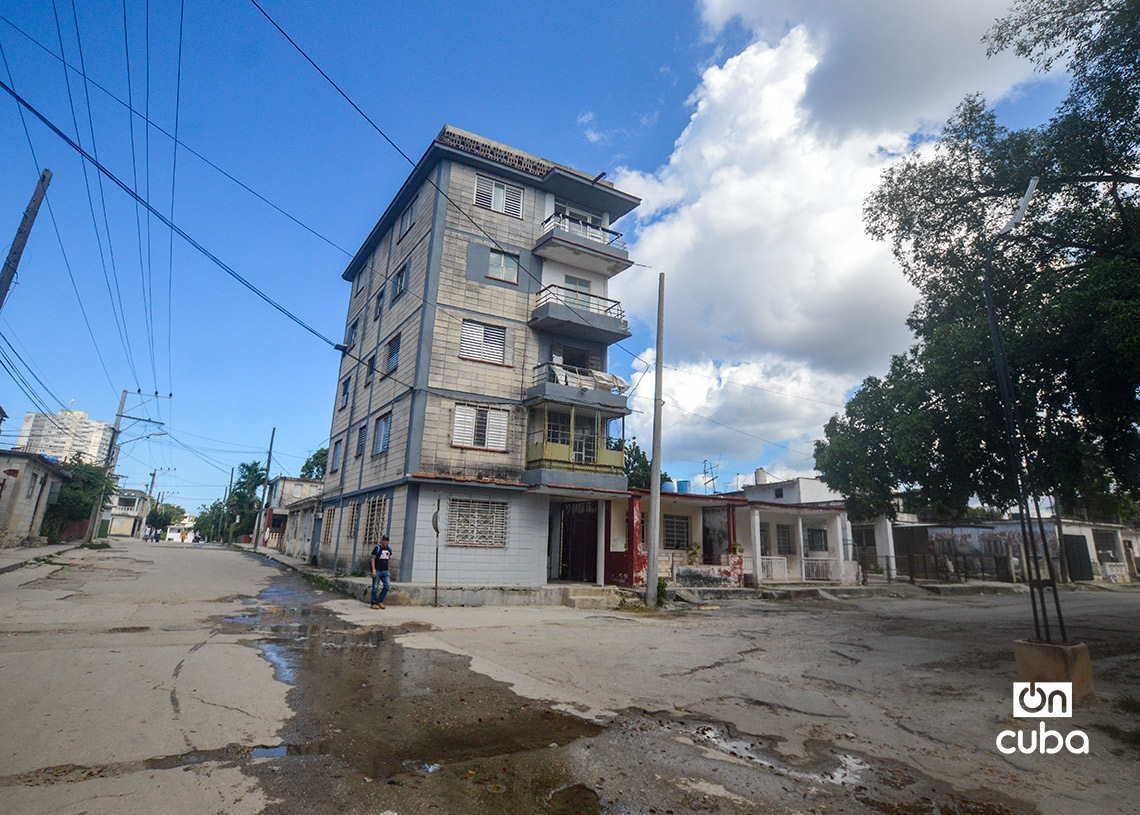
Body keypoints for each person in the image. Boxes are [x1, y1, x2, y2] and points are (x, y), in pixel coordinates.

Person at [370, 535, 392, 609]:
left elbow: (389, 559)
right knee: (375, 587)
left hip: (385, 571)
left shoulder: (389, 549)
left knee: (387, 586)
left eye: (387, 540)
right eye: (384, 540)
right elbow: (372, 559)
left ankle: (380, 601)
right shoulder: (377, 548)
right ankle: (373, 603)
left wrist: (389, 568)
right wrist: (373, 570)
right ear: (381, 541)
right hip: (377, 571)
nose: (385, 542)